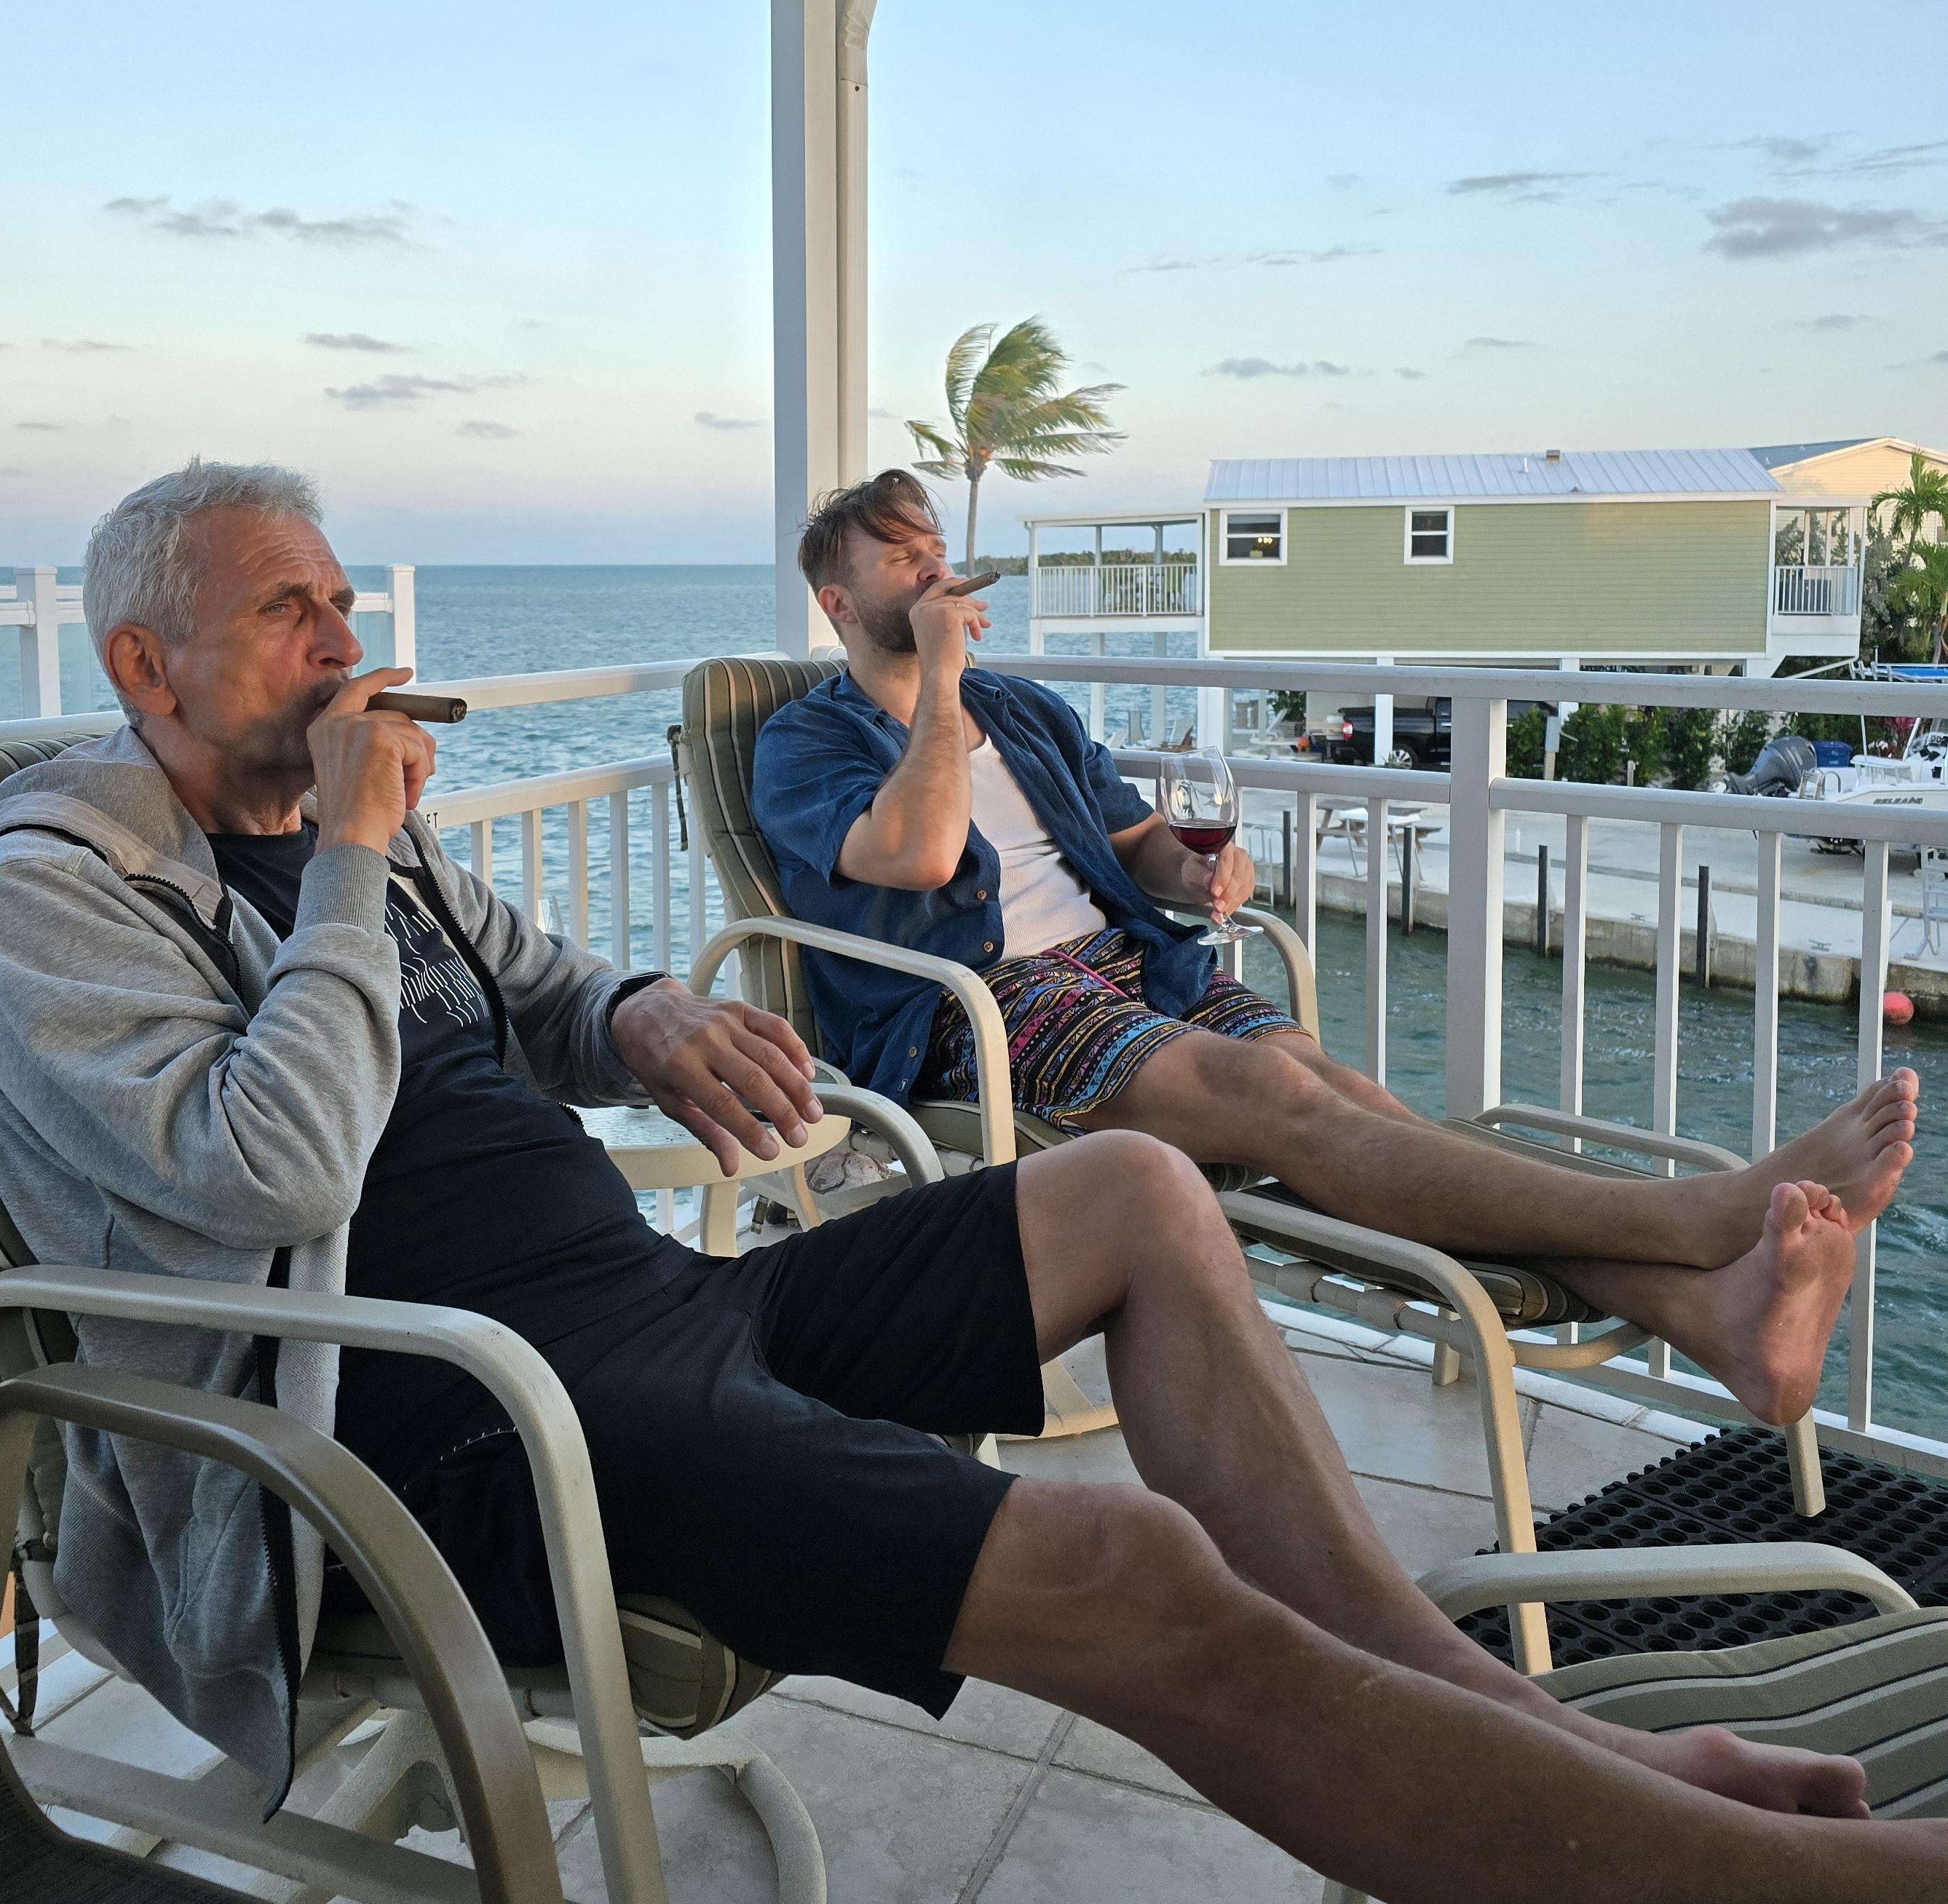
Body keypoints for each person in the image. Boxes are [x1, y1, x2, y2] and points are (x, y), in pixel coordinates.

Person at [0, 461, 1948, 1904]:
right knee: (1127, 1569)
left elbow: (534, 988)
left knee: (1139, 1188)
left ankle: (1506, 1718)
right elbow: (270, 1171)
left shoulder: (336, 846)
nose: (339, 640)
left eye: (336, 597)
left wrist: (636, 1015)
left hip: (646, 1307)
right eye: (286, 610)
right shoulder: (51, 894)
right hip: (453, 1426)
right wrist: (360, 854)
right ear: (144, 669)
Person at [750, 469, 1920, 1429]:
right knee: (1279, 1102)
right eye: (902, 559)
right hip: (980, 1006)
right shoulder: (807, 742)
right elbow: (918, 854)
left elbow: (1138, 843)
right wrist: (942, 678)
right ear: (838, 603)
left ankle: (1715, 1324)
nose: (937, 571)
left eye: (937, 548)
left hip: (1135, 963)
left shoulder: (1024, 711)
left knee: (1345, 1099)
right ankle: (1697, 1218)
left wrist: (1197, 874)